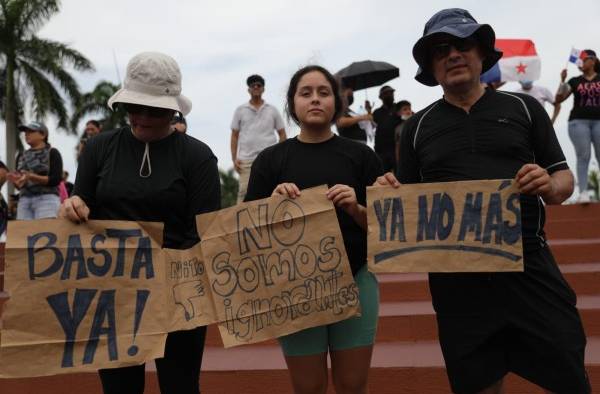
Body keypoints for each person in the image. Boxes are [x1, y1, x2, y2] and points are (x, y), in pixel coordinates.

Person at [377, 8, 590, 394]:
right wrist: (389, 191)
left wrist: (547, 183)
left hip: (530, 265)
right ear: (431, 66)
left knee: (569, 369)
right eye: (441, 49)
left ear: (482, 55)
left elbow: (564, 179)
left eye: (463, 45)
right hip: (456, 280)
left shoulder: (525, 108)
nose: (453, 55)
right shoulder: (415, 128)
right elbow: (407, 205)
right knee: (476, 381)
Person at [60, 51, 221, 394]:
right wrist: (72, 206)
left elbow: (206, 230)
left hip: (178, 294)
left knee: (180, 385)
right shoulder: (99, 148)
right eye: (134, 107)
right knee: (119, 388)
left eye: (155, 110)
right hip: (112, 292)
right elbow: (82, 202)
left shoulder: (197, 156)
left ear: (173, 109)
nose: (143, 117)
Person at [245, 65, 383, 394]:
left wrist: (356, 208)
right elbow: (246, 233)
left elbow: (386, 233)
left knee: (353, 385)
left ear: (337, 101)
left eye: (323, 92)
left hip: (357, 278)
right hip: (292, 289)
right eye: (305, 93)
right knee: (308, 387)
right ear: (292, 104)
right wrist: (272, 208)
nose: (315, 99)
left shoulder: (362, 156)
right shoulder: (269, 160)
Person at [230, 74, 286, 203]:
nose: (256, 87)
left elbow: (282, 133)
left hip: (270, 160)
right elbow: (234, 135)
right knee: (244, 195)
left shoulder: (272, 110)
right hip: (246, 161)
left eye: (259, 85)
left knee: (273, 194)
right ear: (248, 89)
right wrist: (234, 158)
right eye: (252, 85)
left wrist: (279, 155)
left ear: (263, 89)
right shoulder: (240, 110)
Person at [555, 49, 600, 203]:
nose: (580, 62)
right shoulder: (574, 81)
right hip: (578, 121)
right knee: (583, 155)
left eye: (584, 59)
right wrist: (562, 81)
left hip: (598, 122)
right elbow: (559, 99)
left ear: (593, 61)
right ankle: (583, 193)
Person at [7, 121, 63, 220]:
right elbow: (20, 186)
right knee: (24, 234)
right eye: (25, 132)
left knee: (46, 232)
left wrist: (31, 176)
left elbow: (55, 179)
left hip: (47, 199)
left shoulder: (52, 152)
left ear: (43, 135)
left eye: (31, 131)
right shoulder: (21, 155)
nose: (26, 134)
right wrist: (16, 181)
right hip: (24, 201)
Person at [373, 86, 402, 172]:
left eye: (391, 93)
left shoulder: (399, 108)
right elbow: (370, 126)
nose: (389, 95)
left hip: (397, 149)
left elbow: (409, 117)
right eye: (386, 93)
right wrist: (368, 111)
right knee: (382, 175)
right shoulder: (376, 112)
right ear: (381, 97)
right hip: (381, 150)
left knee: (400, 175)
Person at [394, 100, 413, 168]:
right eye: (405, 109)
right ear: (399, 113)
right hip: (406, 160)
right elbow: (397, 146)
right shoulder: (398, 129)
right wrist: (398, 162)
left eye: (409, 109)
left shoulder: (417, 123)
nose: (408, 111)